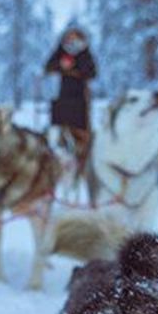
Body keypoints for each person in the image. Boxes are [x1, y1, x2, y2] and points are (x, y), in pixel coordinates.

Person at [44, 26, 97, 193]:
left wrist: (74, 69)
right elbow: (48, 67)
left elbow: (92, 72)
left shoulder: (85, 52)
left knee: (81, 132)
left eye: (74, 37)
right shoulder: (61, 51)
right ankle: (61, 161)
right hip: (63, 97)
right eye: (69, 37)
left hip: (81, 98)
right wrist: (61, 67)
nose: (71, 40)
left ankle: (83, 162)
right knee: (60, 129)